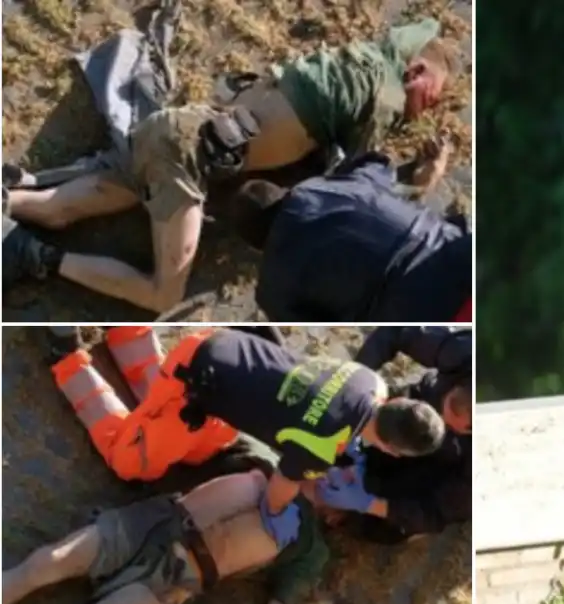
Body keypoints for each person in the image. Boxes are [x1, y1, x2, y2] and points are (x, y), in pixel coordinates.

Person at [1, 19, 459, 313]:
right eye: (430, 97)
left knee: (53, 208)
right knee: (164, 295)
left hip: (171, 131)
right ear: (416, 72)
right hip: (183, 159)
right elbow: (357, 196)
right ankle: (38, 257)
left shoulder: (346, 66)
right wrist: (420, 181)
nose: (423, 111)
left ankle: (9, 204)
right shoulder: (384, 94)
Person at [49, 325, 446, 532]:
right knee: (133, 463)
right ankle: (65, 355)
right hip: (195, 384)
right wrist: (274, 513)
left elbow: (324, 410)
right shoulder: (323, 447)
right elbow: (280, 490)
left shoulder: (369, 381)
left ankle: (127, 332)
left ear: (397, 402)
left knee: (205, 447)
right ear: (393, 450)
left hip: (226, 351)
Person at [2, 470, 330, 604]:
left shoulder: (313, 549)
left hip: (176, 579)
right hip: (152, 522)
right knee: (46, 563)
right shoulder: (277, 454)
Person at [227, 154, 472, 322]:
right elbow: (378, 162)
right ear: (282, 192)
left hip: (426, 308)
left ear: (256, 246)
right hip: (458, 252)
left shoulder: (272, 290)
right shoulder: (323, 188)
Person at [315, 326, 473, 544]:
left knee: (383, 526)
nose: (441, 423)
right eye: (445, 409)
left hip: (442, 466)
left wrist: (370, 504)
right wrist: (355, 387)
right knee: (335, 439)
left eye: (451, 425)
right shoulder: (465, 353)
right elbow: (397, 331)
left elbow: (437, 512)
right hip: (413, 409)